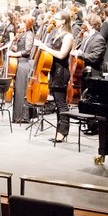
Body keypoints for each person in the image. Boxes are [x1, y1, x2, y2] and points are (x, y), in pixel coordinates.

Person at [34, 10, 74, 143]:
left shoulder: (68, 36)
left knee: (61, 103)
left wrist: (44, 47)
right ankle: (59, 131)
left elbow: (62, 55)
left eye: (56, 18)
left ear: (63, 21)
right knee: (57, 103)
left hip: (61, 72)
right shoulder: (56, 33)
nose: (54, 20)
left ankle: (63, 132)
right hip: (53, 70)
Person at [8, 14, 35, 123]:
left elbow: (27, 51)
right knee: (18, 90)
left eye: (22, 22)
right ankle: (18, 116)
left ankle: (24, 116)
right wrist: (14, 47)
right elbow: (21, 48)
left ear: (27, 23)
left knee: (22, 90)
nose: (20, 24)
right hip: (20, 63)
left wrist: (14, 54)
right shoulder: (23, 34)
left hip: (24, 64)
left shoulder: (29, 34)